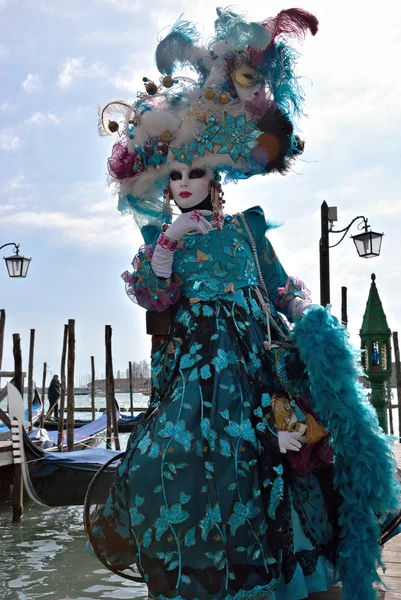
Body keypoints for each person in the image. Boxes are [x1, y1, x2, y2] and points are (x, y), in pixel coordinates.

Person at [86, 8, 400, 600]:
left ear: (214, 176)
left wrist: (308, 314)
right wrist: (169, 246)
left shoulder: (249, 230)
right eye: (174, 175)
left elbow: (281, 286)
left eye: (194, 172)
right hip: (193, 368)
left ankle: (284, 571)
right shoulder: (163, 240)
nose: (182, 184)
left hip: (254, 358)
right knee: (170, 453)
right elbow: (156, 297)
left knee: (281, 448)